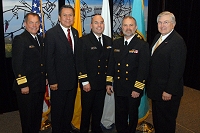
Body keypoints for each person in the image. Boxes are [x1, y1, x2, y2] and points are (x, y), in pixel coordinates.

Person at [106, 16, 149, 133]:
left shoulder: (142, 45)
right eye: (125, 25)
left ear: (135, 28)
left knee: (132, 115)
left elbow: (143, 69)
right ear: (122, 27)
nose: (128, 28)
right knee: (120, 114)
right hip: (119, 87)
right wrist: (109, 82)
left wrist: (137, 88)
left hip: (133, 88)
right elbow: (111, 64)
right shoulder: (116, 43)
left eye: (131, 25)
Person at [147, 11, 187, 133]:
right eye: (160, 22)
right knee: (158, 120)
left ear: (173, 24)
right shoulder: (158, 37)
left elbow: (177, 70)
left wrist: (169, 90)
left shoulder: (177, 42)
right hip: (156, 90)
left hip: (167, 92)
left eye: (166, 22)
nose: (162, 25)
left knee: (167, 122)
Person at [45, 5, 79, 133]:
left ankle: (66, 129)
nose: (68, 18)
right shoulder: (52, 34)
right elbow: (49, 59)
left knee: (69, 109)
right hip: (58, 82)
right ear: (59, 17)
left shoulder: (75, 33)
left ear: (74, 18)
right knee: (58, 111)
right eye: (65, 15)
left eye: (70, 15)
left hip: (72, 81)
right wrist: (52, 80)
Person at [76, 14, 112, 133]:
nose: (99, 25)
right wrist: (84, 82)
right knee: (86, 111)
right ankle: (84, 130)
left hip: (102, 84)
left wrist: (108, 82)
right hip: (89, 84)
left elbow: (110, 64)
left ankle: (96, 129)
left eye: (101, 22)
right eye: (96, 23)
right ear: (91, 25)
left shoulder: (108, 40)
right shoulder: (83, 41)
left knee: (98, 110)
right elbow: (80, 63)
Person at [12, 12, 45, 133]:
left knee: (36, 116)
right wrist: (23, 84)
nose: (34, 25)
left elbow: (42, 61)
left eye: (37, 22)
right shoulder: (20, 39)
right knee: (27, 119)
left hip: (38, 85)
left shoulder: (40, 39)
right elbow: (17, 64)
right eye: (31, 22)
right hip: (27, 87)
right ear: (25, 24)